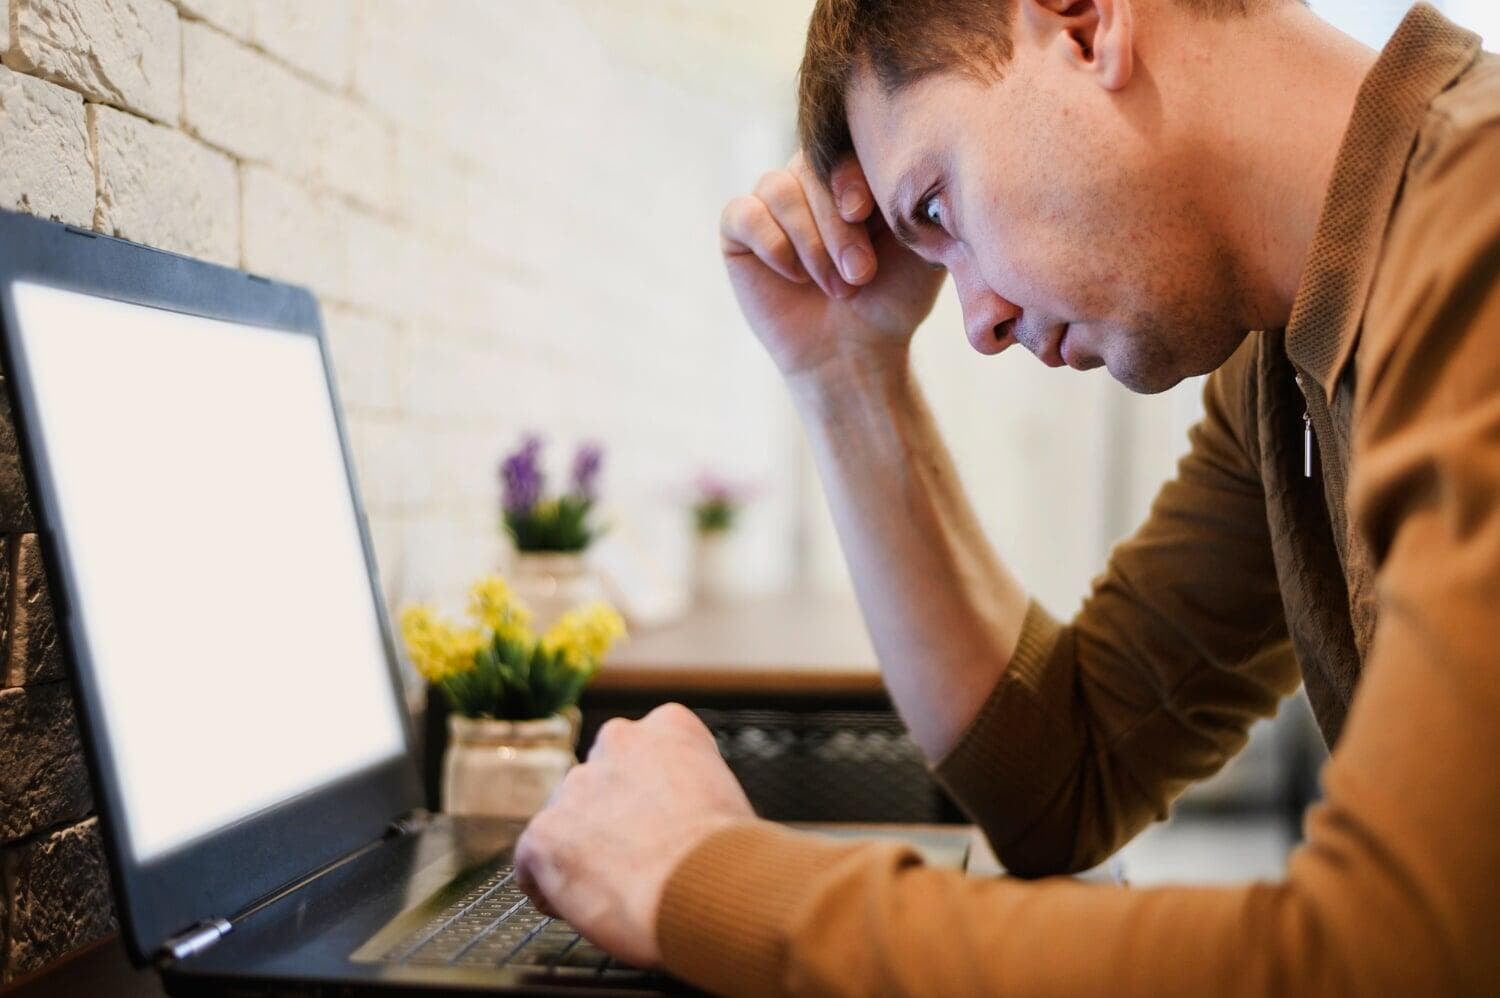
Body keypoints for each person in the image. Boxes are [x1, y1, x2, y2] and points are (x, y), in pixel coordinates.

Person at [514, 0, 1500, 992]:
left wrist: (703, 880)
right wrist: (846, 373)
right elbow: (1067, 774)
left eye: (935, 207)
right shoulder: (1282, 364)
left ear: (1082, 24)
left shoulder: (1480, 229)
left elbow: (1392, 955)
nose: (977, 321)